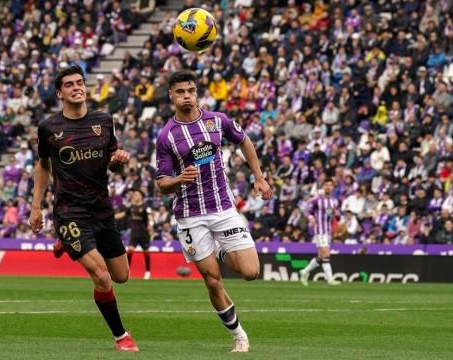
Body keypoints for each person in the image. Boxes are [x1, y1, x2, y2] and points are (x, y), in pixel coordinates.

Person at [155, 70, 273, 353]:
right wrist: (179, 179)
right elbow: (162, 183)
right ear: (171, 95)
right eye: (181, 91)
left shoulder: (217, 121)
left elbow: (244, 139)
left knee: (250, 271)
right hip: (190, 215)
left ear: (197, 93)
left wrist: (258, 176)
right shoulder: (166, 136)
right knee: (212, 278)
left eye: (191, 91)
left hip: (223, 208)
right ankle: (239, 335)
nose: (187, 96)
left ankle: (219, 251)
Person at [28, 65, 138, 352]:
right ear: (60, 93)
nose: (77, 87)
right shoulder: (49, 128)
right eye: (69, 84)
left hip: (102, 209)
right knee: (101, 276)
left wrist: (117, 161)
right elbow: (43, 165)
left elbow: (111, 162)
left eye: (80, 82)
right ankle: (121, 337)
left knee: (121, 276)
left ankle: (66, 241)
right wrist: (36, 206)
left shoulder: (104, 121)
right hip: (70, 211)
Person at [299, 179, 341, 286]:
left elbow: (336, 216)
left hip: (328, 231)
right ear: (323, 186)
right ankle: (330, 279)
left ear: (333, 187)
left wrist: (337, 221)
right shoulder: (317, 199)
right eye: (326, 185)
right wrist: (311, 217)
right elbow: (307, 209)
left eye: (330, 185)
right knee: (326, 253)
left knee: (321, 256)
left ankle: (304, 272)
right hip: (320, 230)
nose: (328, 187)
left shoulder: (334, 201)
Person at [115, 190, 152, 279]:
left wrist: (151, 224)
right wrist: (110, 216)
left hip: (144, 234)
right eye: (134, 194)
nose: (135, 196)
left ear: (141, 196)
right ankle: (127, 271)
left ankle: (147, 272)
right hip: (134, 234)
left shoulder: (146, 207)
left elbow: (150, 217)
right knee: (130, 251)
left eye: (137, 194)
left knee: (146, 252)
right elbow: (122, 215)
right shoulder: (131, 207)